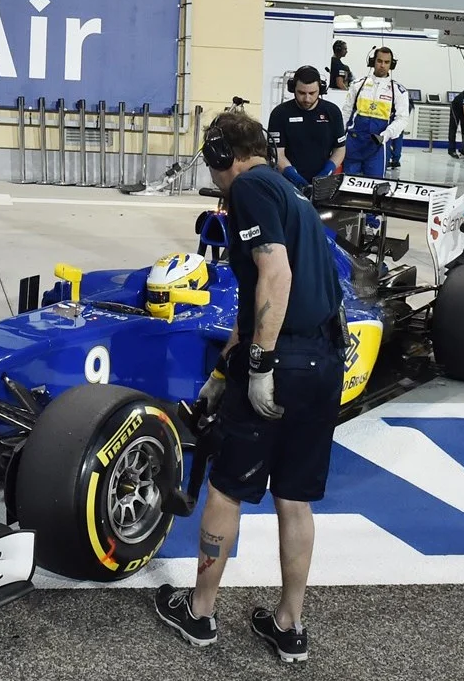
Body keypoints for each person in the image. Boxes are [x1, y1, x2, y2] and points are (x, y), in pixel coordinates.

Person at [153, 110, 344, 664]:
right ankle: (290, 625)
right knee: (294, 497)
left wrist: (260, 364)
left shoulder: (250, 190)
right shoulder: (289, 193)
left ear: (222, 155)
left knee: (227, 488)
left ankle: (200, 612)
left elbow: (275, 276)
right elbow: (256, 297)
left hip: (282, 360)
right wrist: (224, 370)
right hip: (323, 360)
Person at [268, 66, 345, 190]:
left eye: (312, 93)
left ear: (320, 89)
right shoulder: (280, 114)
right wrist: (293, 176)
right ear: (293, 89)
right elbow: (277, 153)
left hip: (322, 183)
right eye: (302, 93)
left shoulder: (332, 112)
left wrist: (327, 171)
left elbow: (340, 149)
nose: (307, 99)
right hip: (288, 182)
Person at [340, 47, 405, 178]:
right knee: (347, 183)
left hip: (378, 145)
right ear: (373, 61)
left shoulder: (398, 91)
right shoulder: (357, 85)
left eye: (387, 62)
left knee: (375, 184)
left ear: (391, 64)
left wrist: (387, 134)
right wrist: (339, 136)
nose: (382, 65)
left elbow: (402, 119)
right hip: (353, 143)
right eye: (379, 61)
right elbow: (346, 113)